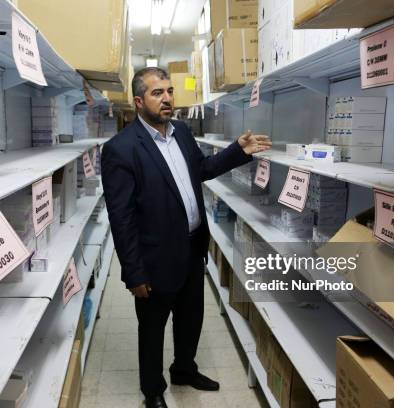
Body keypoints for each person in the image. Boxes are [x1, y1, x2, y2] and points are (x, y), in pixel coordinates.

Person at [101, 67, 272, 408]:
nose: (166, 99)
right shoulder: (121, 150)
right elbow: (121, 219)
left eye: (169, 91)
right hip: (155, 259)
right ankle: (153, 391)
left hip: (192, 248)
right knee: (152, 330)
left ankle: (184, 369)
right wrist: (134, 272)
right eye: (156, 93)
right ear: (138, 101)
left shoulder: (180, 132)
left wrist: (238, 151)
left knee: (191, 318)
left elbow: (202, 170)